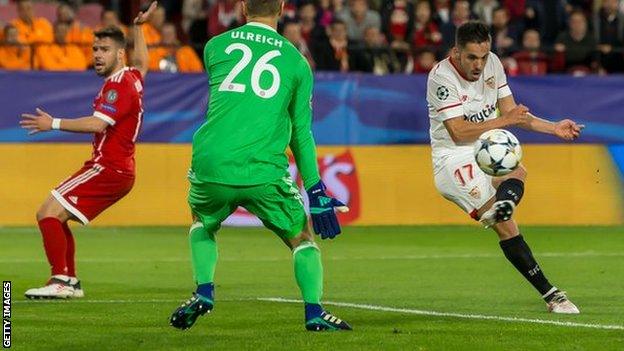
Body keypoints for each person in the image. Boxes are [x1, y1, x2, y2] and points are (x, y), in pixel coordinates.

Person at [168, 0, 352, 332]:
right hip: (262, 166)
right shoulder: (297, 63)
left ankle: (204, 291)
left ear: (242, 6)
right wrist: (315, 188)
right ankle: (314, 312)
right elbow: (301, 133)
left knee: (202, 222)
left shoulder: (214, 47)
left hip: (212, 160)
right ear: (282, 7)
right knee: (301, 238)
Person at [426, 21, 583, 314]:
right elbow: (458, 132)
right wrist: (505, 120)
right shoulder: (441, 77)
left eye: (484, 57)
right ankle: (552, 296)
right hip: (452, 158)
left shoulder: (493, 64)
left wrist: (554, 128)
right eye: (472, 57)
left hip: (483, 147)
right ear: (456, 52)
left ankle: (505, 203)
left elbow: (515, 114)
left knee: (517, 170)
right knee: (506, 227)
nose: (479, 64)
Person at [19, 2, 158, 299]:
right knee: (54, 214)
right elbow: (144, 63)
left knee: (47, 213)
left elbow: (97, 124)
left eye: (104, 50)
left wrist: (52, 123)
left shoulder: (117, 87)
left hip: (108, 167)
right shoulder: (132, 77)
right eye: (95, 49)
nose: (96, 55)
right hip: (116, 168)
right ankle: (67, 281)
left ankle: (62, 281)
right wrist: (139, 27)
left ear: (120, 54)